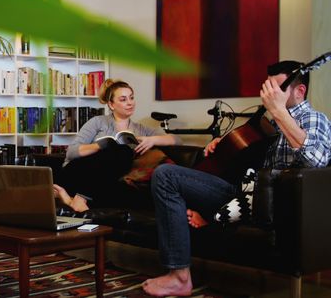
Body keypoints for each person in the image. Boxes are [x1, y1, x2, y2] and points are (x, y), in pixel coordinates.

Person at [143, 60, 331, 297]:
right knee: (166, 175)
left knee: (165, 175)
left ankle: (180, 276)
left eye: (277, 89)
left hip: (271, 204)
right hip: (241, 192)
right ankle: (207, 224)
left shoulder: (312, 119)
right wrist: (222, 146)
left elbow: (316, 160)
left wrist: (280, 112)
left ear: (299, 91)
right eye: (268, 88)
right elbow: (243, 160)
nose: (270, 96)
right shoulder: (266, 123)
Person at [53, 79, 181, 212]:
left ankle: (69, 199)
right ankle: (80, 197)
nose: (130, 102)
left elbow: (176, 140)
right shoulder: (97, 122)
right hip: (77, 174)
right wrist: (100, 146)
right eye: (123, 99)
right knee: (123, 151)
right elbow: (71, 152)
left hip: (106, 181)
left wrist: (153, 140)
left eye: (131, 98)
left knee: (135, 196)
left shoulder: (141, 129)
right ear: (111, 104)